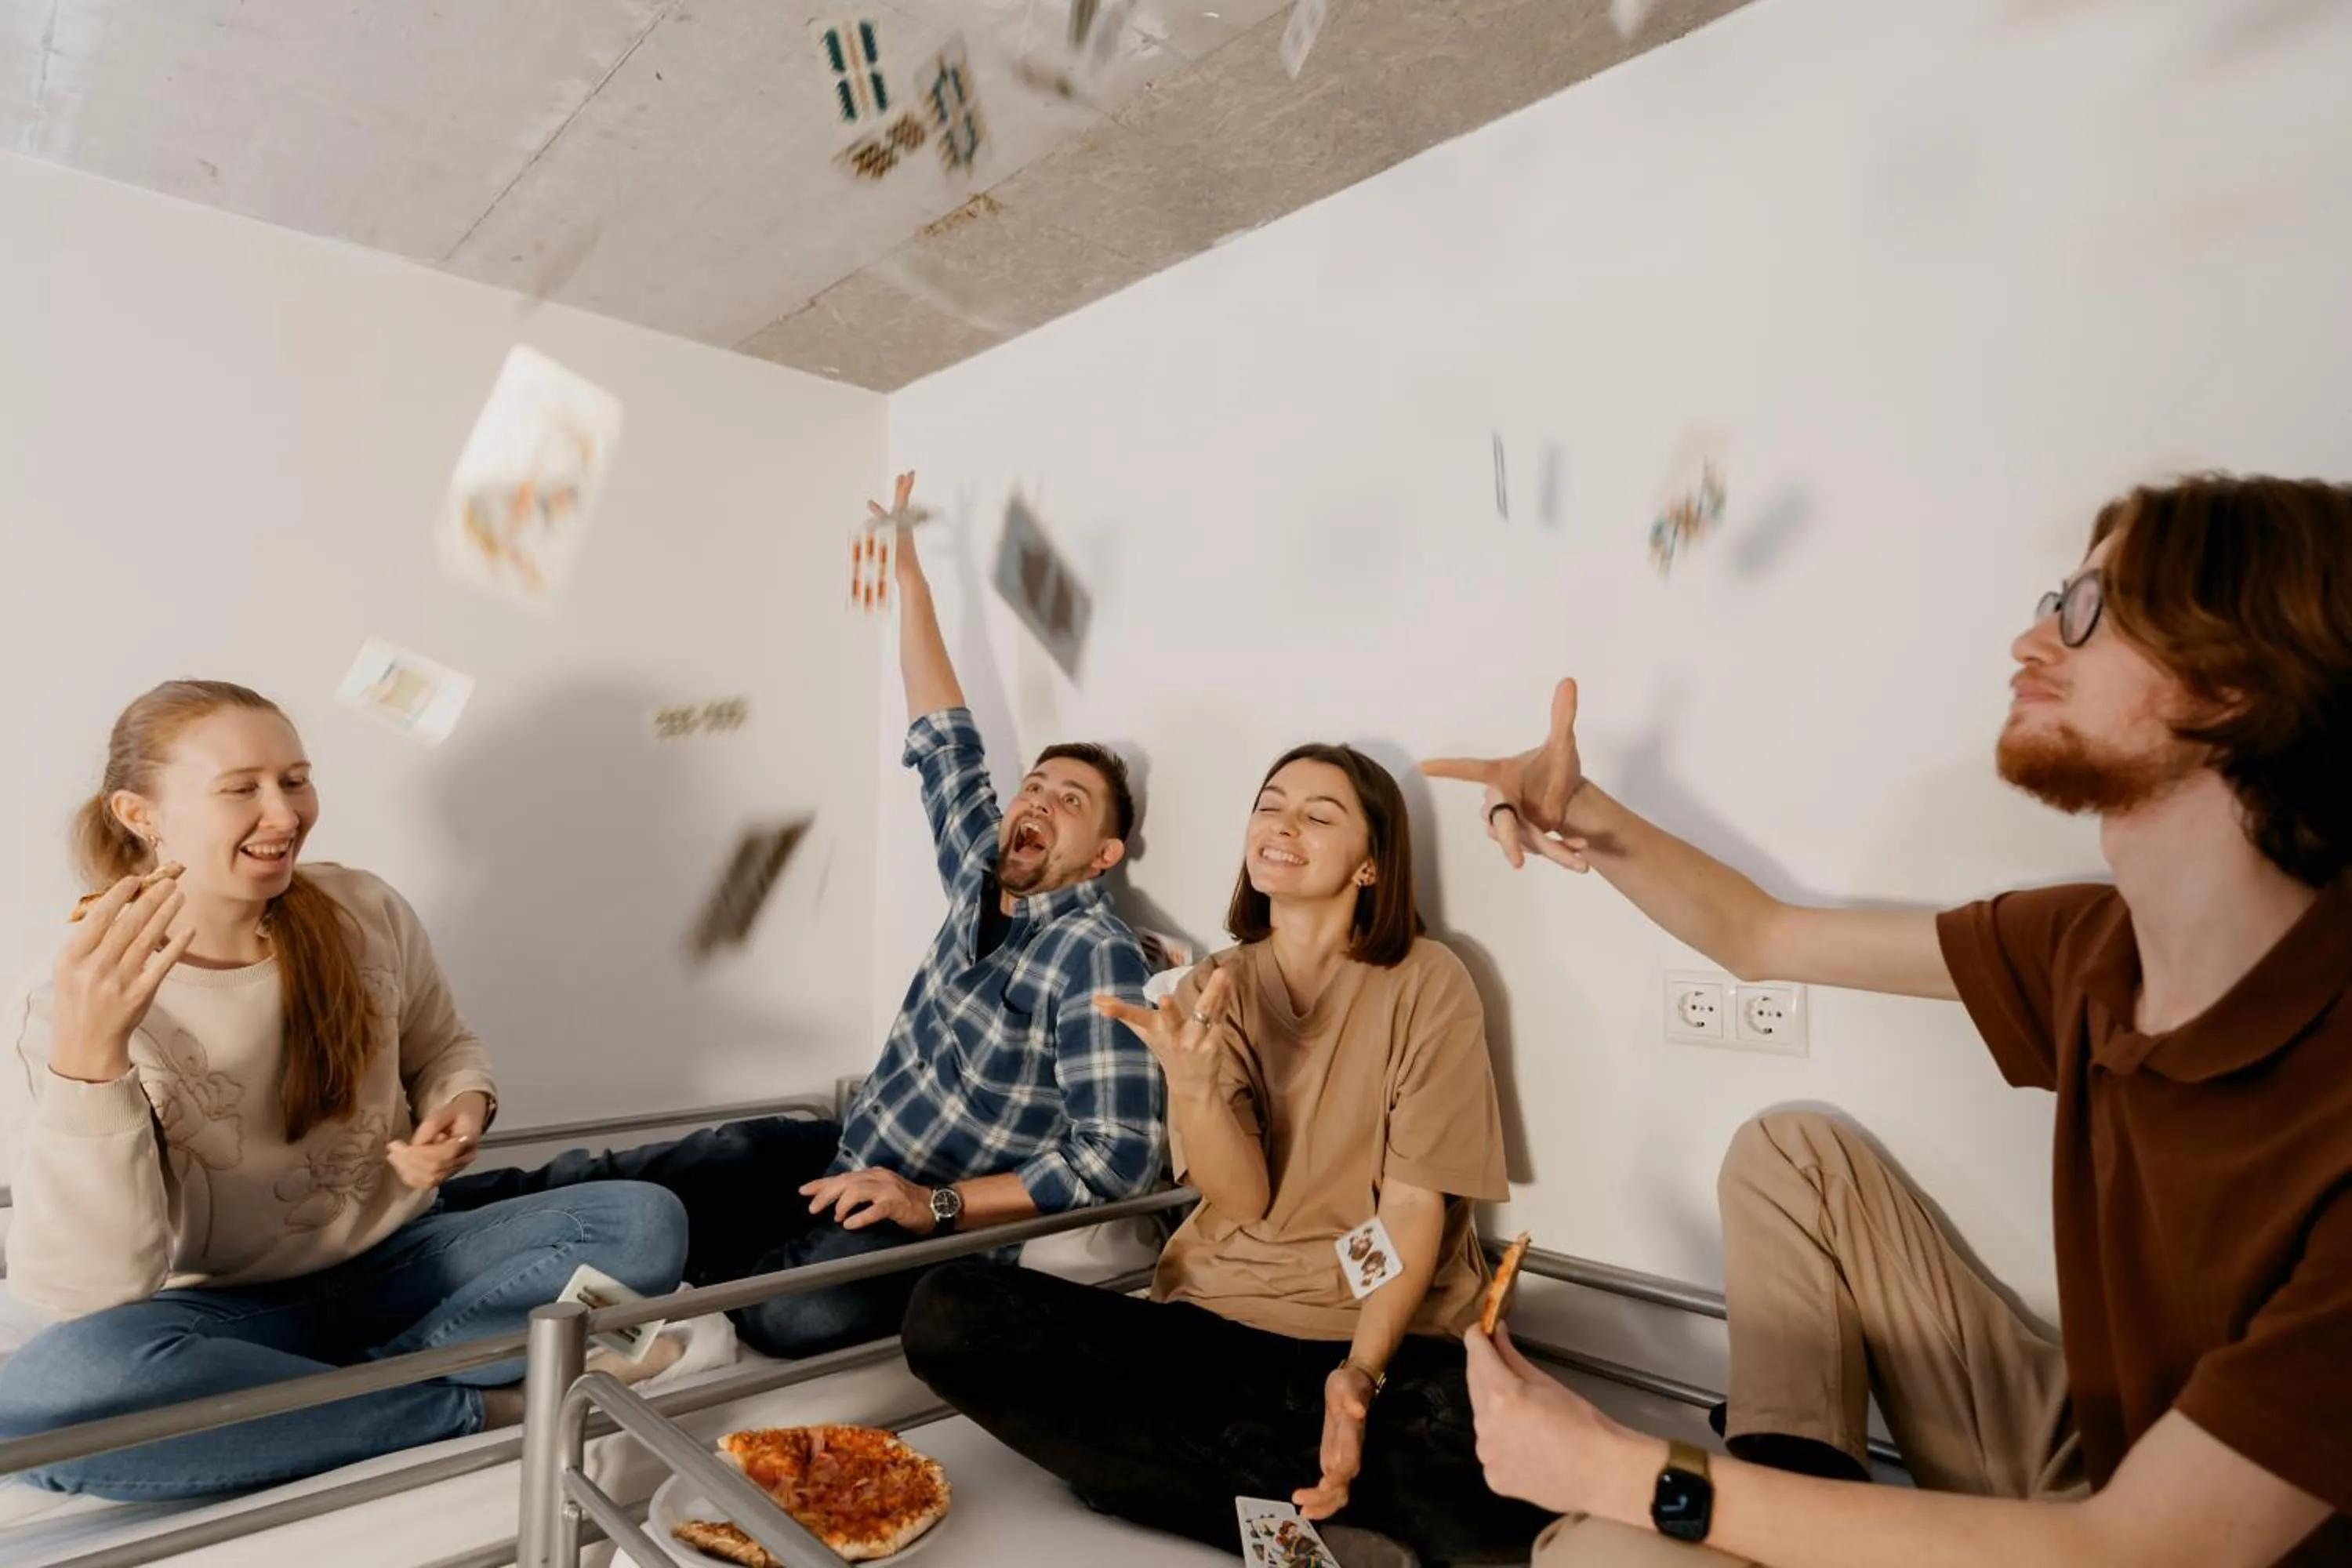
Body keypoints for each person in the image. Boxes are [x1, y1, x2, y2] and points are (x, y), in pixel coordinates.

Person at [1425, 474, 2350, 1566]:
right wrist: (1578, 809)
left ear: (2236, 684)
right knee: (1794, 1157)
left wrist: (1631, 1479)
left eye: (2086, 612)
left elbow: (2140, 1551)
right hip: (2103, 1460)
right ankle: (1783, 1499)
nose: (2028, 640)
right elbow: (1760, 936)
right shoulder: (2097, 947)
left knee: (1597, 1552)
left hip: (2162, 1542)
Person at [443, 477, 1164, 1358]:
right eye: (1036, 785)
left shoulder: (1098, 954)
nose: (1039, 800)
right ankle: (436, 1217)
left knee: (796, 1315)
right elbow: (944, 732)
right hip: (841, 1147)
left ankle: (682, 1299)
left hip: (927, 1212)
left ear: (1103, 856)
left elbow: (1116, 1156)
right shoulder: (983, 870)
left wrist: (927, 1202)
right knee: (661, 1171)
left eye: (1073, 800)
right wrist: (912, 576)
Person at [0, 681, 689, 1501]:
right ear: (139, 812)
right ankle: (469, 1402)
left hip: (402, 1261)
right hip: (223, 1311)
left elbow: (447, 1047)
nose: (284, 813)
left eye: (294, 779)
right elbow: (93, 1288)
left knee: (641, 1220)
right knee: (40, 1404)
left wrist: (458, 1109)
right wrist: (92, 1055)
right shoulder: (73, 993)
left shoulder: (363, 908)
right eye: (240, 788)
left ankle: (308, 1398)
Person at [902, 742, 1553, 1568]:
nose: (1283, 824)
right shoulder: (1214, 984)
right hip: (1216, 1329)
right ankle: (1286, 1522)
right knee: (948, 1308)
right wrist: (1194, 1082)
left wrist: (1358, 1376)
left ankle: (1192, 1478)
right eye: (1270, 804)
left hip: (1381, 1339)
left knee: (1494, 1502)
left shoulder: (1428, 981)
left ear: (1371, 866)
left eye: (1320, 815)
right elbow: (1240, 1197)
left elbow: (1412, 1209)